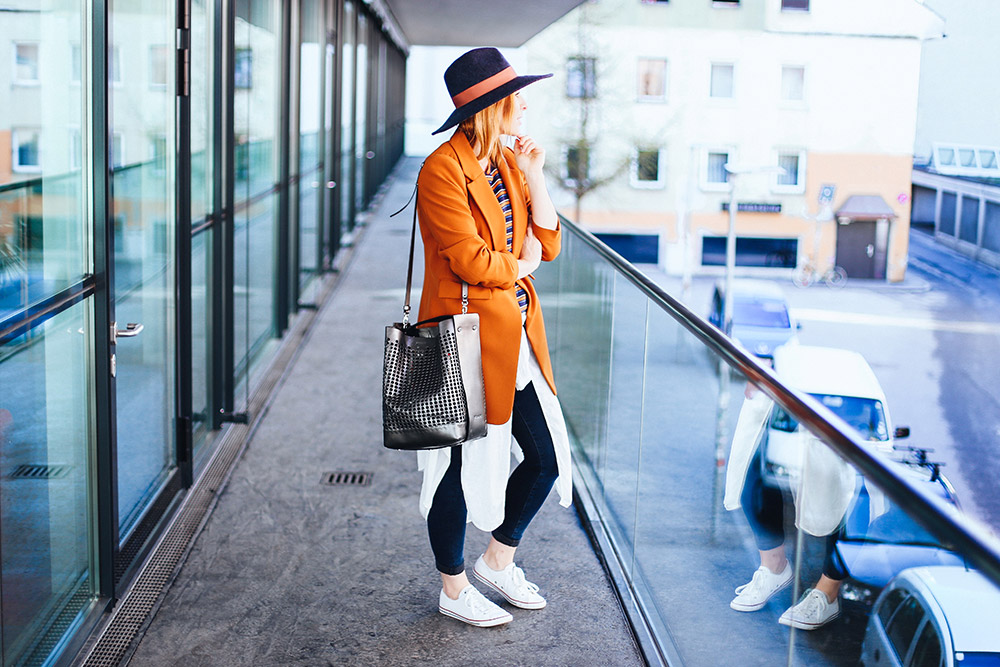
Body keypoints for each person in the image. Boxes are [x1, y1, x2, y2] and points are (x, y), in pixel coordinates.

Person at [413, 47, 573, 628]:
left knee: (546, 457)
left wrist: (535, 175)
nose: (525, 103)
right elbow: (471, 261)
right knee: (452, 466)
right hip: (459, 336)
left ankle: (497, 560)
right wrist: (524, 260)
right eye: (516, 95)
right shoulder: (441, 169)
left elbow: (548, 242)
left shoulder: (508, 162)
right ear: (488, 106)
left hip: (516, 333)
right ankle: (452, 589)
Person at [724, 383, 855, 630]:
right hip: (791, 372)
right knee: (756, 469)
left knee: (837, 486)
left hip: (843, 388)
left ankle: (828, 593)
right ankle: (774, 566)